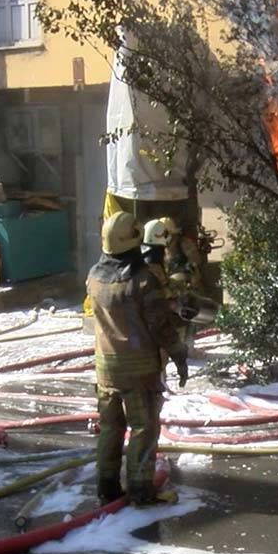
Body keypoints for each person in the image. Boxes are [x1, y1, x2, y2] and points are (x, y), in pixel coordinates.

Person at [87, 211, 188, 505]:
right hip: (139, 370)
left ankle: (107, 486)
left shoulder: (93, 277)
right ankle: (141, 490)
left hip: (105, 369)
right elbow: (160, 325)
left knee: (110, 427)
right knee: (144, 428)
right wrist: (179, 352)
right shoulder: (143, 281)